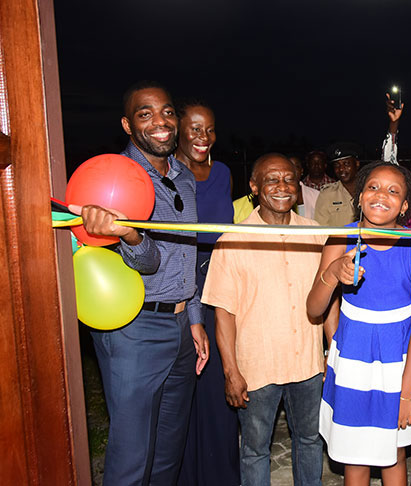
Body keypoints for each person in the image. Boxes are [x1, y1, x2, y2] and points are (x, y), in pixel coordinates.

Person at [71, 81, 209, 485]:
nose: (160, 122)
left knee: (168, 454)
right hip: (136, 330)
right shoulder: (113, 180)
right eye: (145, 114)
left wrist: (195, 315)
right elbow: (147, 262)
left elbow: (187, 251)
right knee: (132, 457)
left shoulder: (184, 176)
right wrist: (129, 235)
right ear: (128, 125)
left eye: (167, 112)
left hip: (183, 327)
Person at [306, 161, 411, 485]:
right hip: (352, 362)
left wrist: (406, 392)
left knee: (395, 454)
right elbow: (314, 307)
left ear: (405, 205)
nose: (381, 196)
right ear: (360, 196)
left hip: (398, 365)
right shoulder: (341, 238)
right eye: (373, 187)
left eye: (394, 191)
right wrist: (333, 273)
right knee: (354, 454)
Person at [202, 153, 325, 486]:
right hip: (257, 367)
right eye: (272, 179)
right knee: (255, 450)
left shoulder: (317, 233)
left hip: (309, 364)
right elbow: (223, 313)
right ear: (254, 187)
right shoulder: (233, 240)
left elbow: (330, 301)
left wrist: (332, 354)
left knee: (310, 442)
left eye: (289, 179)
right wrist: (230, 372)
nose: (282, 187)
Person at [174, 100, 239, 486]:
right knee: (183, 389)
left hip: (219, 286)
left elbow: (225, 234)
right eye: (195, 128)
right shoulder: (164, 175)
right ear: (179, 129)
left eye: (210, 129)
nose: (203, 137)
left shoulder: (224, 172)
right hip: (181, 286)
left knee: (217, 386)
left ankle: (220, 476)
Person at [313, 146, 360, 226]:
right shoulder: (327, 195)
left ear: (357, 164)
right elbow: (321, 229)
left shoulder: (369, 191)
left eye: (346, 163)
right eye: (337, 165)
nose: (341, 169)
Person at [288, 154, 320, 219]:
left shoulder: (316, 195)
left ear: (301, 171)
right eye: (289, 166)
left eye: (296, 167)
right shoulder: (277, 196)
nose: (292, 170)